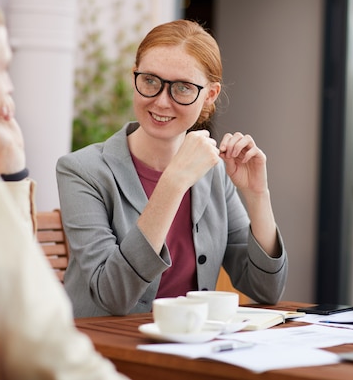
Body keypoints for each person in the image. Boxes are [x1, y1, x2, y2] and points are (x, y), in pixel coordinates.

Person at [0, 0, 128, 379]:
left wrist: (10, 166)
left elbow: (1, 282)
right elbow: (41, 340)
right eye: (3, 67)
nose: (8, 86)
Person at [56, 19, 288, 318]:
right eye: (150, 81)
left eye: (182, 88)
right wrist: (174, 182)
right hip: (107, 349)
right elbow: (112, 295)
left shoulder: (213, 172)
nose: (162, 102)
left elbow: (266, 290)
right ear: (134, 77)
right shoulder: (82, 170)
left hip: (189, 346)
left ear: (211, 94)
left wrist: (257, 194)